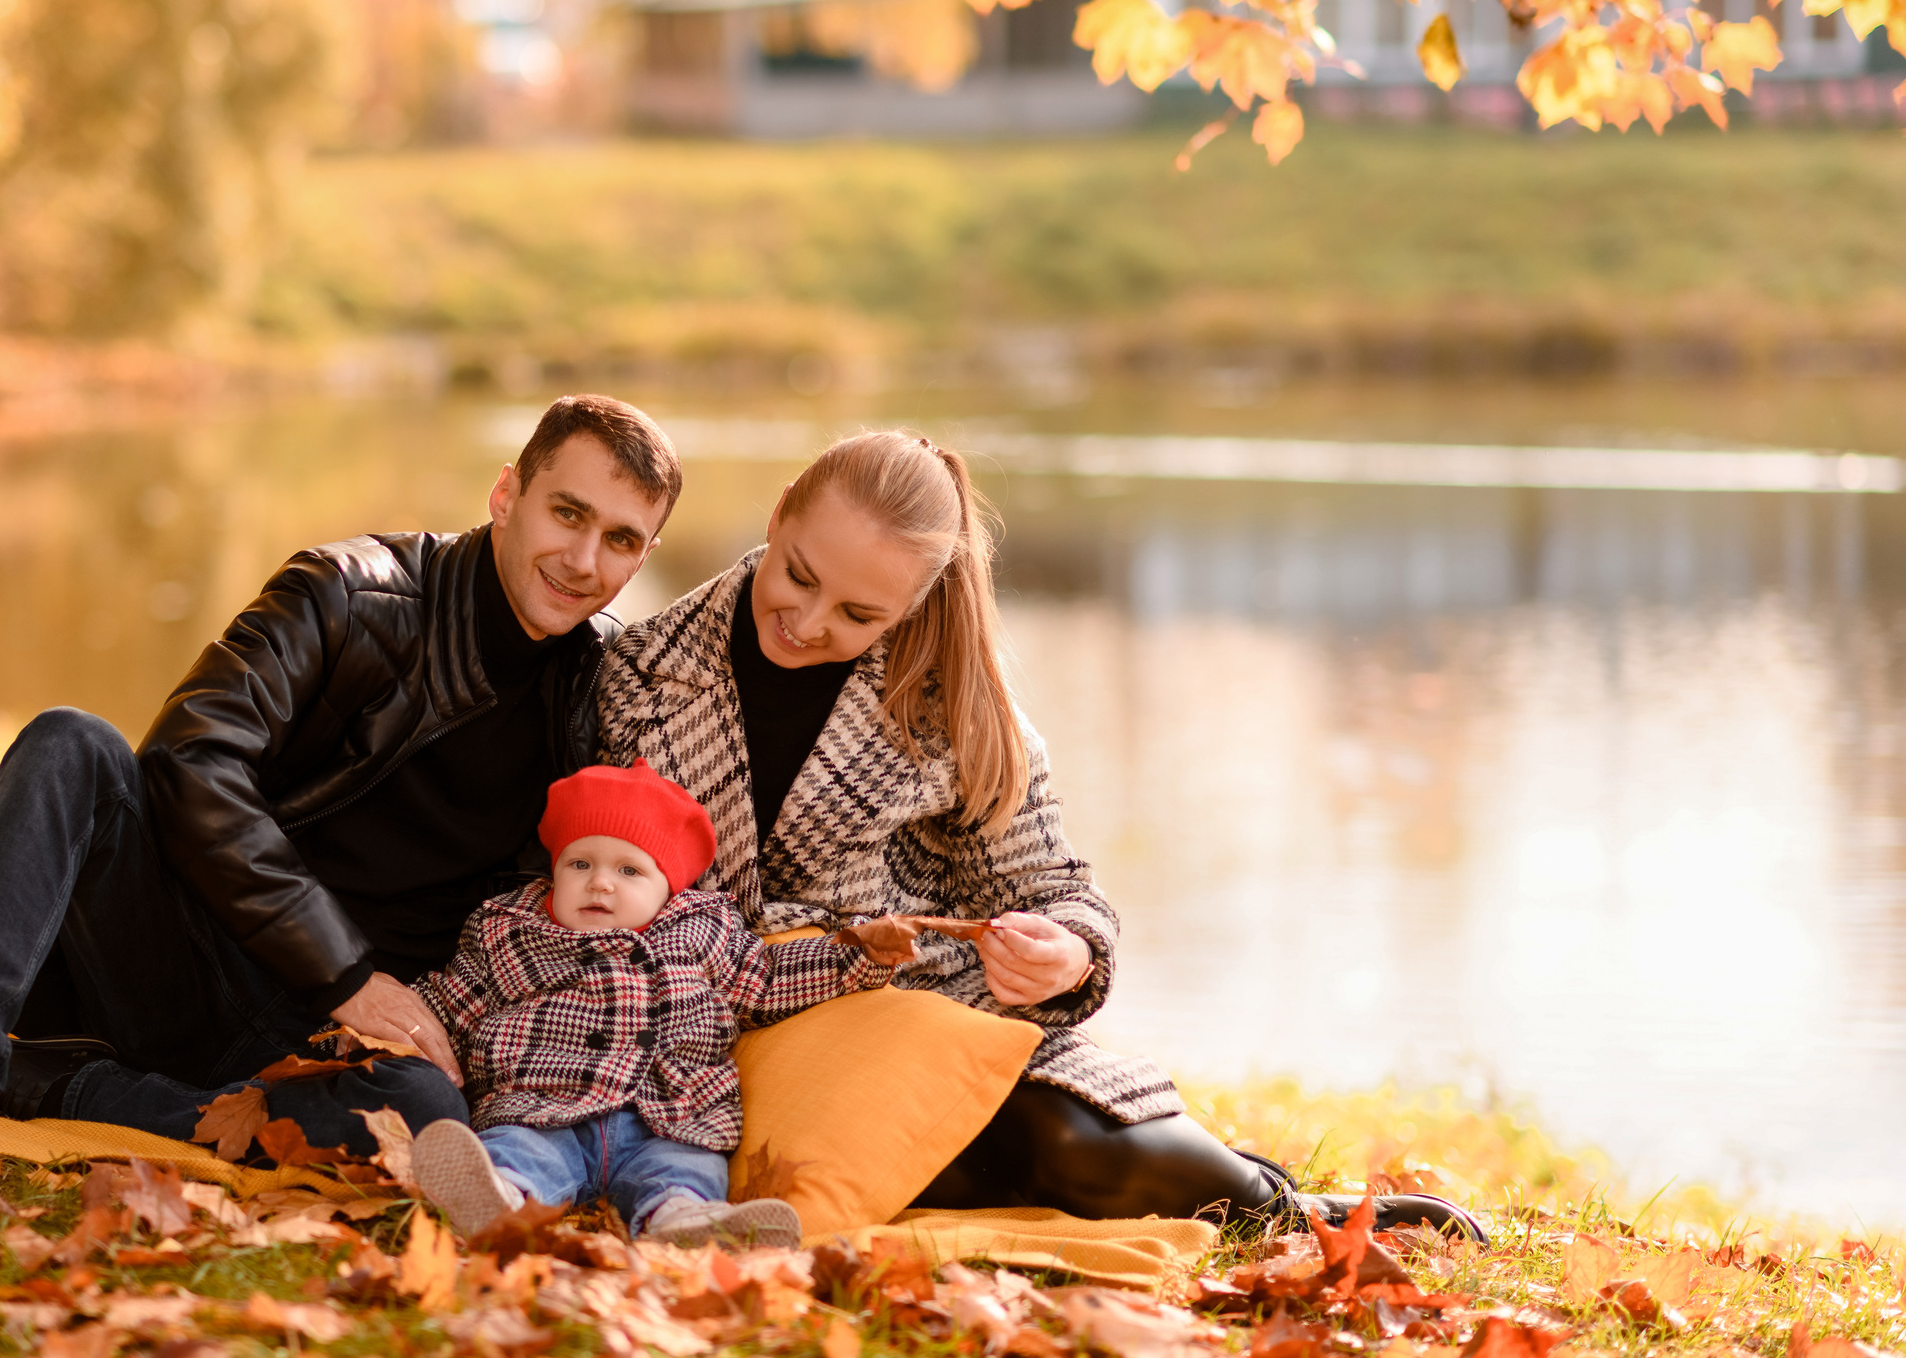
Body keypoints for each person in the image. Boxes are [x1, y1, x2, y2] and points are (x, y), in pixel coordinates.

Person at [595, 429, 1484, 1237]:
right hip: (707, 1044)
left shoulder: (952, 709)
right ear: (780, 509)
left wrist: (1065, 954)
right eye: (798, 574)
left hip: (917, 1027)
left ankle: (1289, 1209)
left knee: (1084, 1150)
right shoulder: (636, 675)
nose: (810, 621)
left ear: (911, 606)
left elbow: (1057, 893)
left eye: (861, 615)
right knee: (944, 1170)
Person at [0, 395, 684, 1210]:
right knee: (70, 743)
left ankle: (63, 1082)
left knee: (431, 1119)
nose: (583, 559)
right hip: (178, 957)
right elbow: (189, 757)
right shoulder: (349, 593)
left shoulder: (601, 692)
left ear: (642, 559)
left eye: (619, 539)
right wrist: (344, 972)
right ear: (506, 494)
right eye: (566, 513)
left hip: (338, 1049)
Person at [409, 760, 900, 1247]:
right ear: (554, 869)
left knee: (685, 1168)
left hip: (669, 1113)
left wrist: (859, 952)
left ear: (669, 888)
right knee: (517, 1151)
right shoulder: (510, 933)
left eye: (629, 870)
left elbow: (768, 978)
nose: (600, 882)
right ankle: (500, 1199)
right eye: (580, 864)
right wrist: (379, 1031)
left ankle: (683, 1222)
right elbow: (452, 1003)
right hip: (542, 1104)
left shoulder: (703, 933)